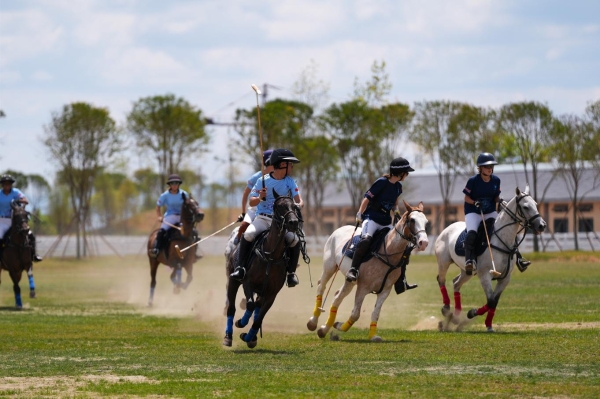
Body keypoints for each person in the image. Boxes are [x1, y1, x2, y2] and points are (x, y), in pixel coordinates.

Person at [230, 148, 304, 287]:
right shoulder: (262, 180)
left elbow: (299, 200)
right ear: (281, 164)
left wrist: (298, 205)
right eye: (290, 164)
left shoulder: (290, 181)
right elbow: (251, 201)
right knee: (248, 234)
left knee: (295, 240)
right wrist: (259, 197)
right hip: (263, 219)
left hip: (281, 223)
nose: (292, 167)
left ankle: (291, 274)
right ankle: (240, 268)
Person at [346, 157, 416, 283]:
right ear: (400, 173)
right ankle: (353, 269)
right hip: (371, 218)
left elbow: (395, 202)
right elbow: (366, 198)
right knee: (366, 239)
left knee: (402, 244)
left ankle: (401, 279)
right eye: (406, 172)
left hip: (385, 221)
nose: (407, 174)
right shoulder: (382, 182)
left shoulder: (398, 187)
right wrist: (359, 214)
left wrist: (396, 210)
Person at [234, 149, 274, 245]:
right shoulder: (256, 177)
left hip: (271, 211)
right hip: (254, 209)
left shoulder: (279, 178)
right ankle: (238, 249)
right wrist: (243, 212)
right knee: (244, 226)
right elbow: (246, 194)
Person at [0, 174, 42, 262]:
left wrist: (17, 200)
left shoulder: (16, 192)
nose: (7, 185)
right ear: (2, 184)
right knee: (0, 237)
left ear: (11, 184)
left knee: (30, 235)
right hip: (2, 221)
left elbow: (26, 201)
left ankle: (34, 255)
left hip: (15, 220)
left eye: (9, 183)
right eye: (5, 183)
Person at [150, 174, 189, 258]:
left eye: (176, 183)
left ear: (179, 184)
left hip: (181, 217)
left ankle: (194, 252)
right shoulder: (165, 195)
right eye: (172, 183)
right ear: (170, 185)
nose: (174, 185)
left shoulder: (184, 194)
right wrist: (159, 216)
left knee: (191, 231)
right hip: (170, 216)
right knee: (162, 231)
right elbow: (158, 207)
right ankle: (156, 249)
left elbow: (188, 206)